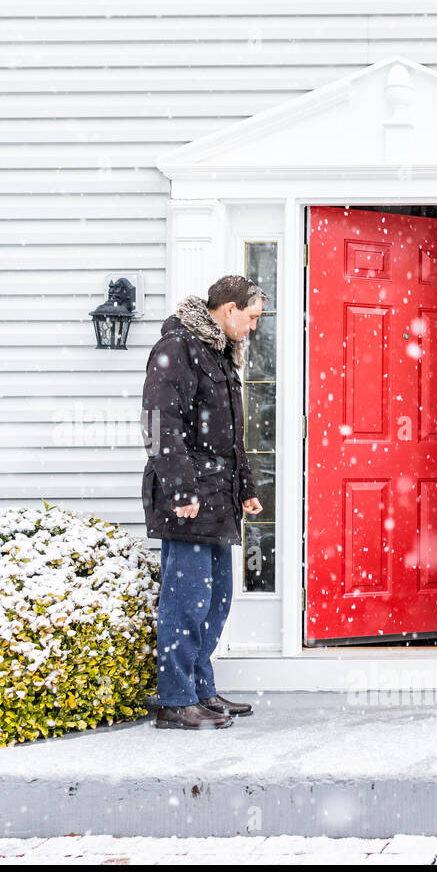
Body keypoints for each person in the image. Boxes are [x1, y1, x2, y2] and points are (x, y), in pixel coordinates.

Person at [140, 275, 265, 730]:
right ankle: (175, 701)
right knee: (186, 600)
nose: (253, 328)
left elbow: (229, 435)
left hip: (217, 498)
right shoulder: (177, 348)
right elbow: (159, 424)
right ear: (228, 309)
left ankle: (200, 690)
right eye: (250, 318)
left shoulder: (218, 354)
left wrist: (245, 487)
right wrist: (181, 491)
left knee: (216, 599)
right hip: (189, 500)